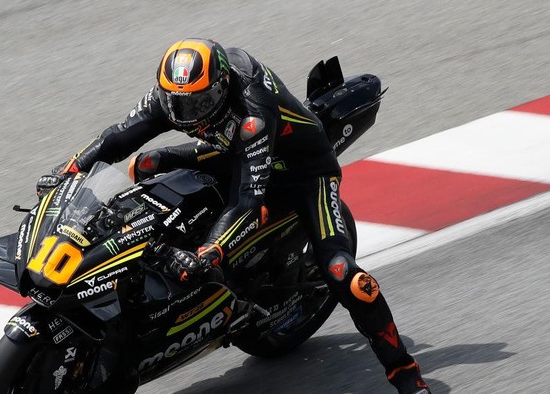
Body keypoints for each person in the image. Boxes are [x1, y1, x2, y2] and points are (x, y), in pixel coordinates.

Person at [36, 38, 430, 393]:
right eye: (177, 104)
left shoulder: (253, 110)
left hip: (298, 172)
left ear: (222, 86)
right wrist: (70, 168)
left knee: (349, 276)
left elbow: (247, 202)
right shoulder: (177, 93)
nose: (187, 113)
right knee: (145, 164)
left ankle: (406, 375)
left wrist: (209, 252)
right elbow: (119, 135)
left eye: (198, 104)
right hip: (232, 152)